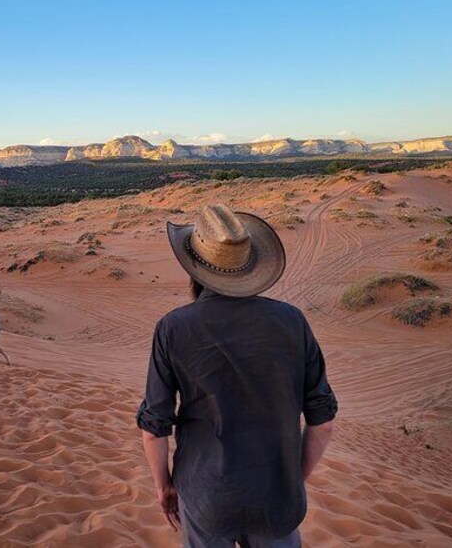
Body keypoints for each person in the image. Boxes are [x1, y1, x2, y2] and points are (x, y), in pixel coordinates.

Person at [137, 204, 338, 547]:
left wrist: (163, 485)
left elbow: (155, 427)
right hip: (277, 500)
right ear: (251, 266)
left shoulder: (173, 328)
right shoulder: (292, 321)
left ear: (195, 268)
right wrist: (293, 480)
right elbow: (323, 422)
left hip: (205, 497)